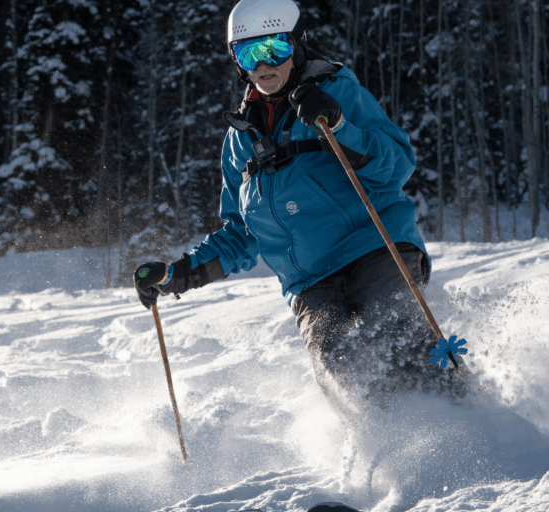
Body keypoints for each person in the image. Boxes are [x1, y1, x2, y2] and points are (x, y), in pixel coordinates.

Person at [134, 0, 463, 416]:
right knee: (338, 368)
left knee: (394, 336)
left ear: (296, 44)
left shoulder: (337, 91)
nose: (263, 64)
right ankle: (390, 447)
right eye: (248, 53)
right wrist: (179, 274)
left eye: (274, 48)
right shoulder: (240, 140)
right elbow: (240, 232)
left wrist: (339, 126)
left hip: (375, 247)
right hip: (310, 281)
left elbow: (397, 165)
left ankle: (465, 419)